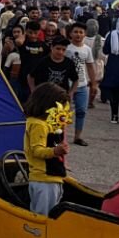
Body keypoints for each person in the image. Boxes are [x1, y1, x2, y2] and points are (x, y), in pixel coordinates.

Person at [24, 83, 70, 216]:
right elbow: (37, 150)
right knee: (43, 215)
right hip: (44, 179)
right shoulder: (38, 125)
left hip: (51, 178)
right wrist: (55, 151)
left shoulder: (47, 125)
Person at [64, 23, 95, 146]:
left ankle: (78, 137)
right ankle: (61, 137)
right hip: (67, 85)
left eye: (81, 32)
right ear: (70, 33)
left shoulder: (87, 49)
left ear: (85, 34)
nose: (78, 34)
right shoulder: (66, 48)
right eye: (76, 32)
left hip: (82, 85)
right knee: (63, 112)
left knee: (81, 111)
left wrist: (93, 83)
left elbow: (90, 66)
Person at [17, 23, 49, 102]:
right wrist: (24, 34)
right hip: (24, 76)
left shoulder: (43, 45)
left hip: (39, 78)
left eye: (35, 33)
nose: (33, 35)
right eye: (30, 32)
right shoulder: (24, 43)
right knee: (25, 101)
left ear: (39, 32)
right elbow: (18, 42)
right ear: (26, 32)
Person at [86, 18, 105, 108]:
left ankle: (85, 100)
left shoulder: (82, 38)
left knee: (86, 84)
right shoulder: (101, 40)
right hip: (97, 65)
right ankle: (90, 101)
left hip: (85, 65)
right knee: (94, 85)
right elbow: (103, 55)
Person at [2, 35, 24, 101]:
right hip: (16, 78)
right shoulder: (15, 54)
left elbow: (5, 68)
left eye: (10, 43)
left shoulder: (13, 55)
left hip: (14, 78)